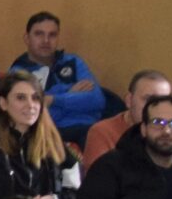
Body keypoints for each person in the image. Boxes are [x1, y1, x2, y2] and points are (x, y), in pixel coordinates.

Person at [83, 71, 172, 166]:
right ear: (129, 100)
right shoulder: (102, 132)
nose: (155, 108)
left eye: (163, 100)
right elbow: (98, 183)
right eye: (148, 99)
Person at [10, 13, 106, 143]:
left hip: (89, 128)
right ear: (27, 38)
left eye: (52, 35)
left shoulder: (74, 61)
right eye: (39, 34)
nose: (46, 40)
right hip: (49, 133)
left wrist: (53, 100)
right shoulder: (19, 73)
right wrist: (71, 93)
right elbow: (32, 118)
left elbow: (97, 100)